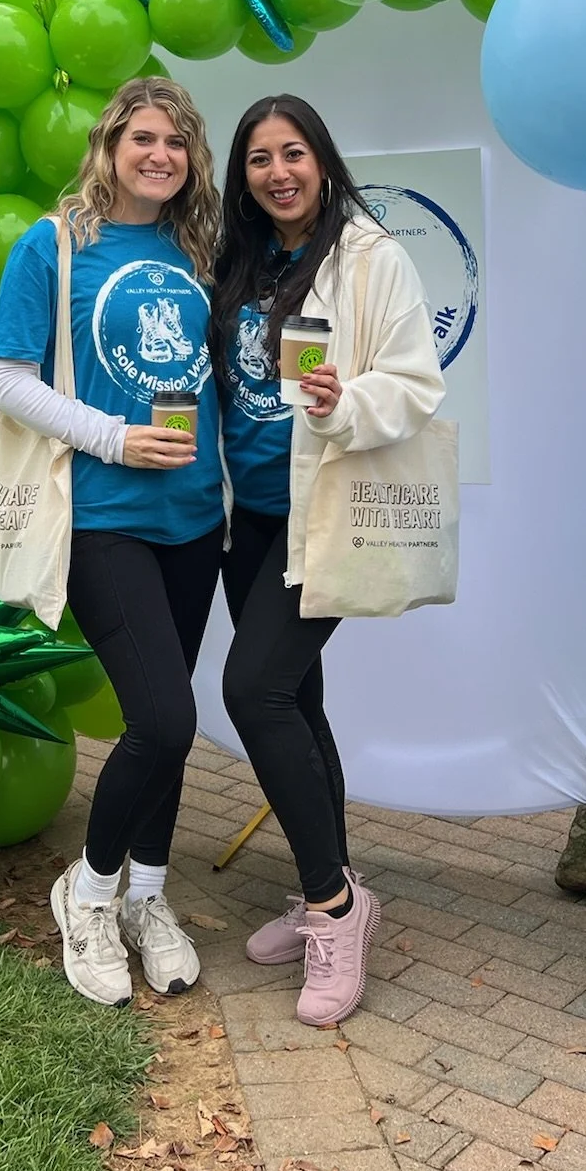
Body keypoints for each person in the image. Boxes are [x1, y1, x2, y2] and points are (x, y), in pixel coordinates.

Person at [0, 76, 224, 1008]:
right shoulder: (54, 244)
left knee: (169, 731)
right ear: (110, 147)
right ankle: (85, 896)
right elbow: (3, 378)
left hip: (197, 518)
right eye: (144, 139)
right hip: (105, 517)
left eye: (177, 143)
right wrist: (114, 438)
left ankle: (147, 900)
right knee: (163, 720)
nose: (161, 155)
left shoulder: (195, 249)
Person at [211, 94, 445, 1026]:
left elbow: (417, 382)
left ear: (324, 161)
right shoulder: (235, 258)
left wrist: (344, 399)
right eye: (260, 159)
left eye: (294, 154)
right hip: (247, 520)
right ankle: (332, 880)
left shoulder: (370, 257)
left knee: (253, 691)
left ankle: (334, 911)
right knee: (295, 702)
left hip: (327, 514)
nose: (278, 173)